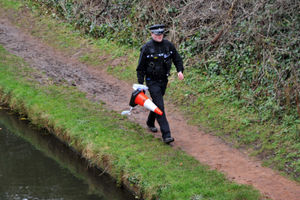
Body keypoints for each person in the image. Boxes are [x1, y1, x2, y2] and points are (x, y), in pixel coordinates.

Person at [136, 24, 184, 144]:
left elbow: (177, 59)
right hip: (152, 81)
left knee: (157, 104)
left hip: (164, 81)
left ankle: (150, 122)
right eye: (157, 34)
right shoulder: (146, 48)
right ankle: (166, 135)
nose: (159, 36)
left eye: (161, 34)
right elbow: (140, 68)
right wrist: (141, 85)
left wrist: (180, 71)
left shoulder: (168, 45)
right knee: (160, 106)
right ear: (152, 34)